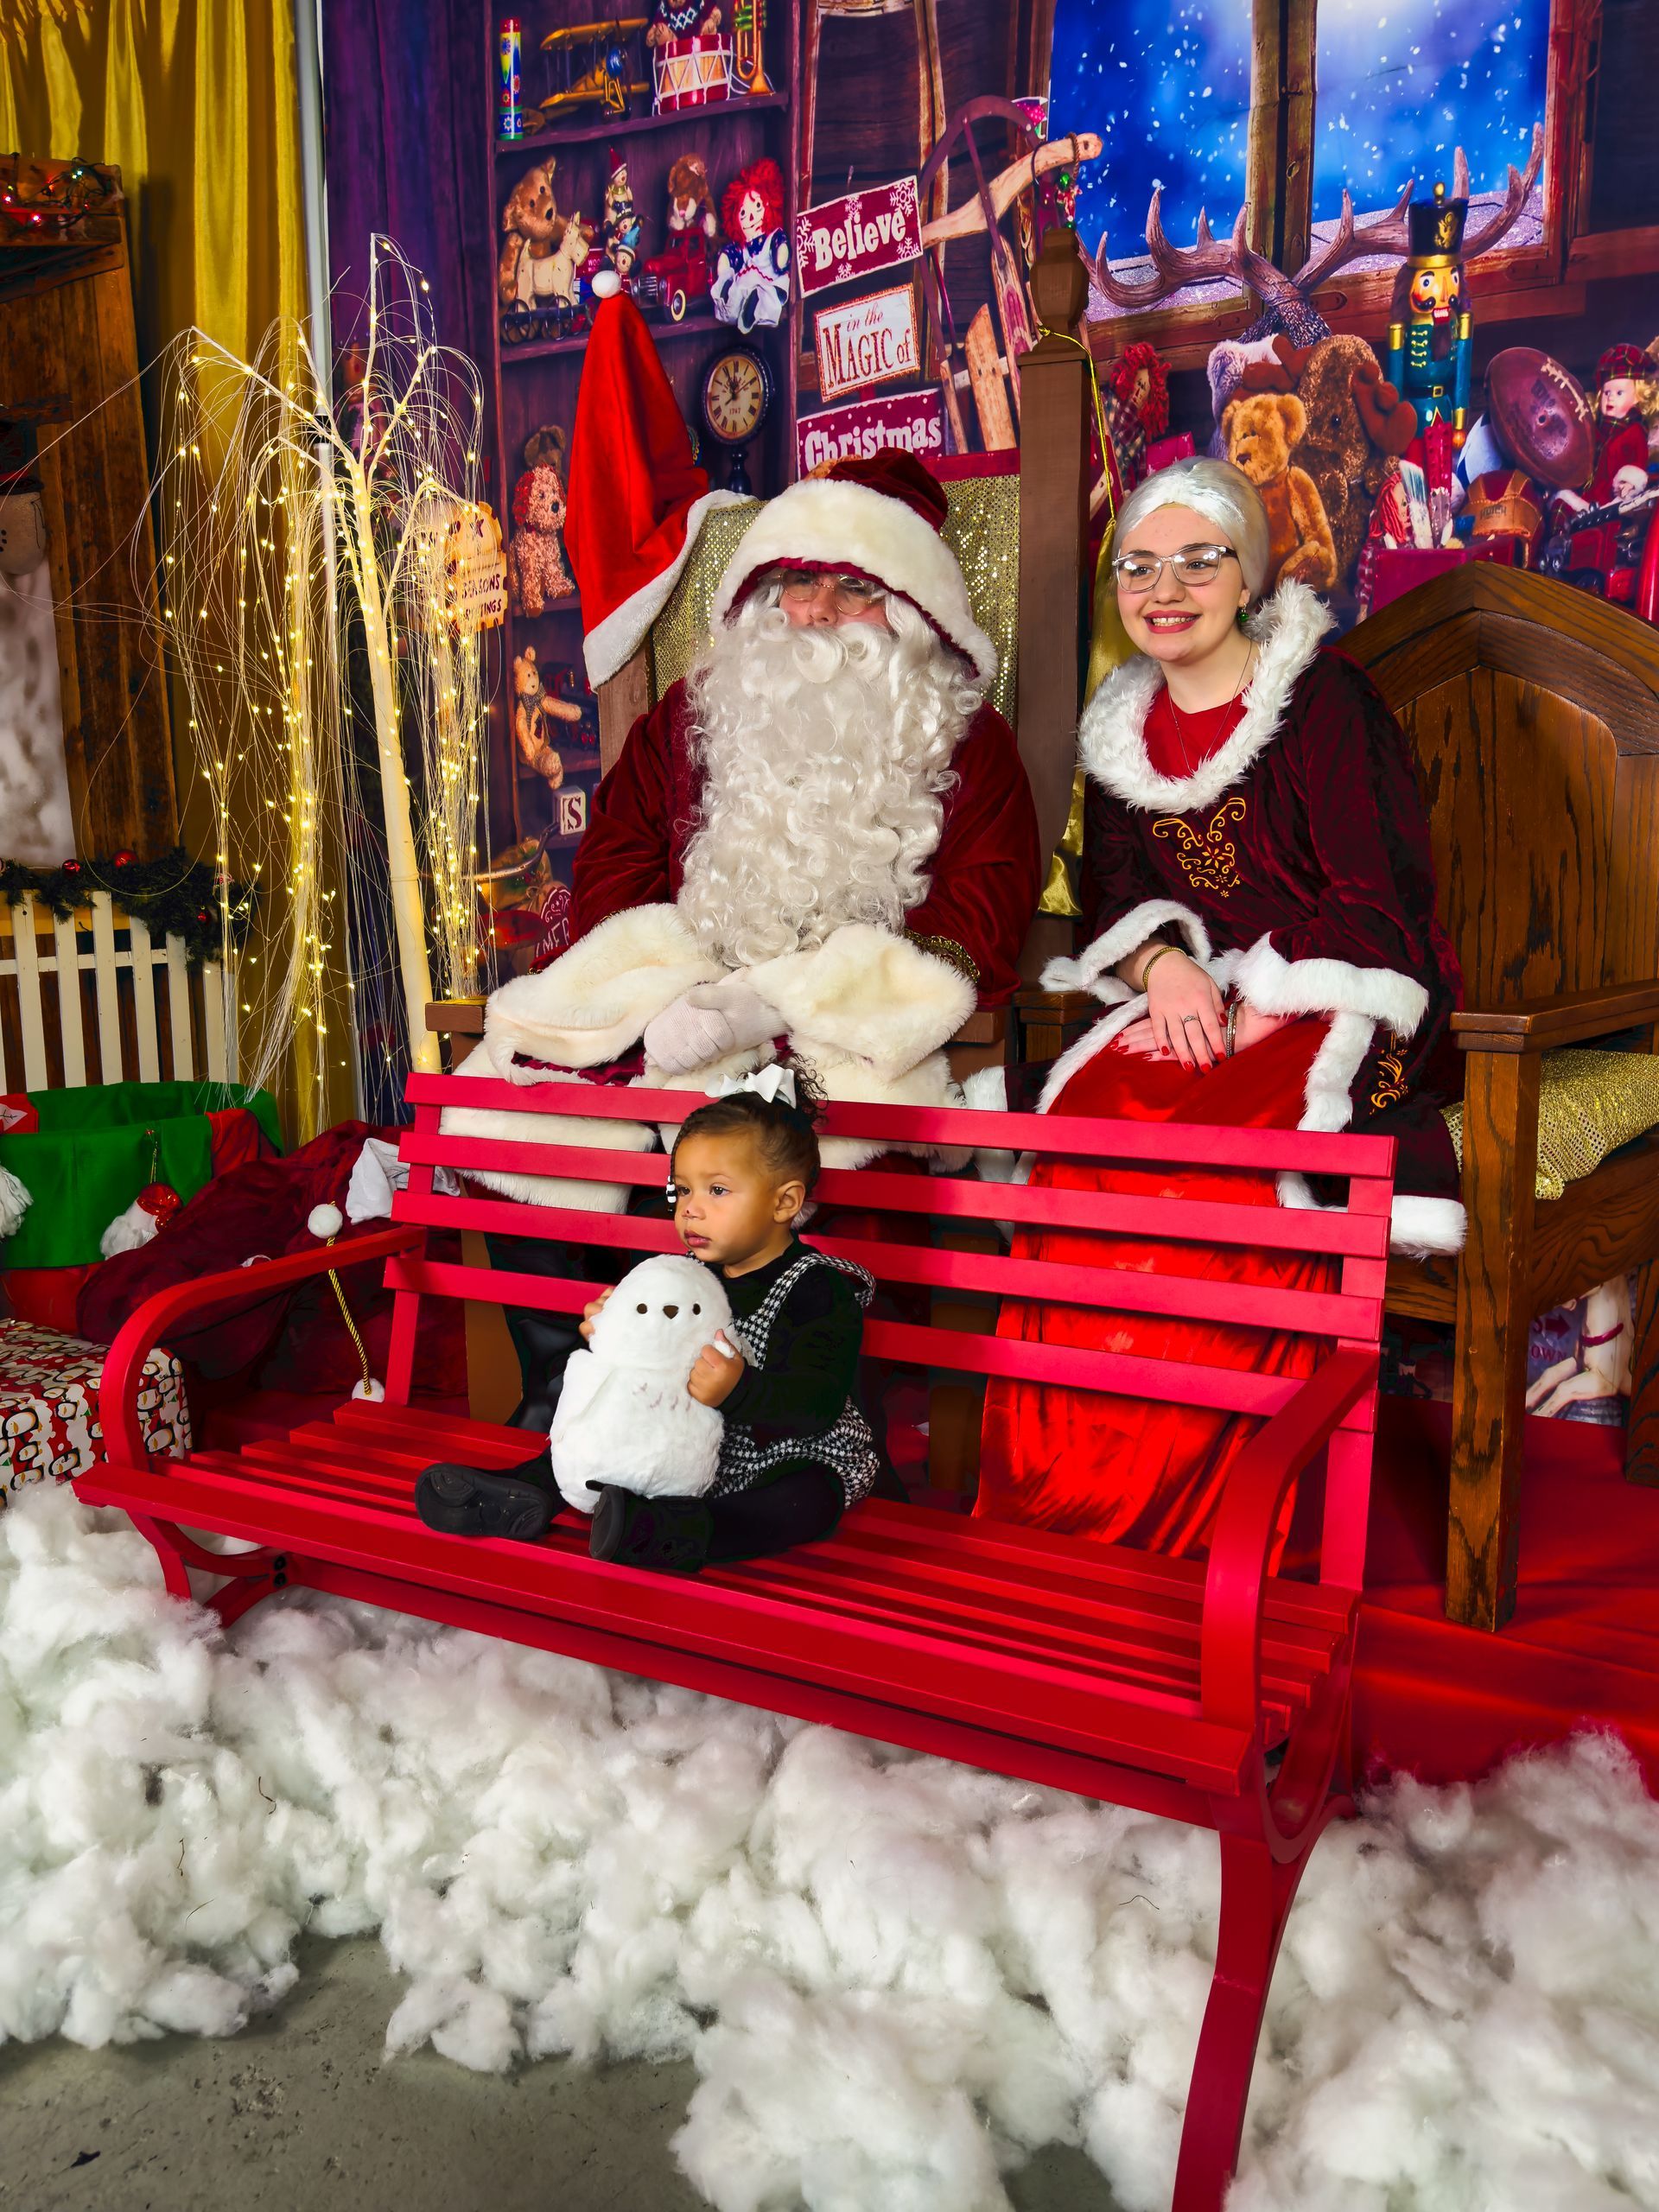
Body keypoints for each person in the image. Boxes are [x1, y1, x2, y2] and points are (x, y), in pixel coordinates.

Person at [445, 444, 1040, 1420]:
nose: (816, 612)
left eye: (854, 589)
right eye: (798, 583)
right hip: (678, 1013)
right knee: (526, 1106)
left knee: (778, 1157)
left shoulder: (971, 743)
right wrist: (670, 991)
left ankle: (759, 1419)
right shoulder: (691, 717)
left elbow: (978, 923)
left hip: (840, 1041)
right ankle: (568, 1401)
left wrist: (775, 1006)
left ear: (910, 609)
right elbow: (616, 865)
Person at [976, 455, 1464, 1552]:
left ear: (1247, 576)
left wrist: (1272, 998)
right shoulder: (1119, 727)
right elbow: (1116, 892)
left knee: (1220, 1161)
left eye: (1198, 561)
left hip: (1344, 999)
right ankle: (1057, 1499)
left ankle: (1192, 1519)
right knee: (1090, 1129)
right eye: (1140, 567)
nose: (1165, 589)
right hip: (1205, 996)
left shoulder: (1325, 700)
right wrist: (1160, 963)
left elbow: (1379, 895)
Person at [416, 1079, 882, 1574]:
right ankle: (527, 1489)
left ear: (784, 1203)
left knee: (808, 1497)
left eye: (717, 1190)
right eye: (683, 1189)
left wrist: (739, 1390)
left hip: (784, 1452)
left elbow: (816, 1402)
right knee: (607, 1424)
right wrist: (614, 1331)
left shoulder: (816, 1290)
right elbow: (642, 1359)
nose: (690, 1208)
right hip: (684, 1443)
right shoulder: (681, 1276)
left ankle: (670, 1533)